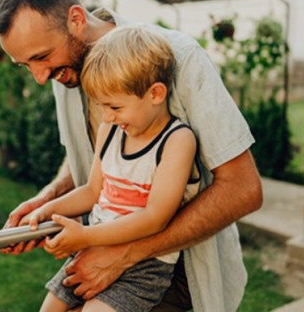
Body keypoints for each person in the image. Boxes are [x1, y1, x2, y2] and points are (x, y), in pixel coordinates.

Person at [0, 0, 263, 312]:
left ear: (75, 19)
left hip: (178, 269)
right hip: (100, 249)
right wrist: (46, 202)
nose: (41, 78)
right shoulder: (65, 71)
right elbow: (94, 159)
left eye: (41, 57)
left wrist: (121, 255)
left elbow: (243, 189)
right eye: (26, 65)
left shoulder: (180, 57)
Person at [28, 26, 201, 311]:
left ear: (155, 93)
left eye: (115, 107)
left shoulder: (177, 141)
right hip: (94, 247)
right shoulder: (111, 129)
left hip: (144, 265)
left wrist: (84, 236)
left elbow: (155, 218)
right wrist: (47, 210)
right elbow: (92, 191)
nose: (106, 117)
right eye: (101, 106)